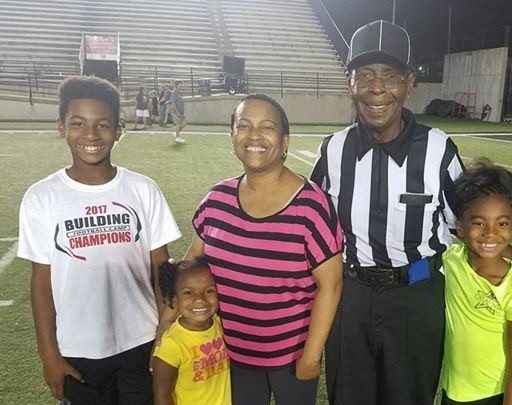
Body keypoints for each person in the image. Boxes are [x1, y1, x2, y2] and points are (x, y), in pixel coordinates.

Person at [310, 20, 512, 405]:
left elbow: (476, 226)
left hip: (416, 295)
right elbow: (308, 226)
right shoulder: (332, 150)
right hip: (349, 297)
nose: (376, 88)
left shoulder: (438, 150)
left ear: (409, 82)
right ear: (350, 81)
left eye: (389, 76)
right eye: (365, 75)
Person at [17, 75, 182, 405]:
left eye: (102, 124)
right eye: (78, 123)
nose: (90, 134)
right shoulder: (41, 197)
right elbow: (41, 283)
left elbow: (161, 266)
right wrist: (49, 354)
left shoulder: (142, 189)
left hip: (142, 341)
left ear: (118, 130)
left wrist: (165, 332)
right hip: (79, 351)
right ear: (61, 127)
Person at [184, 94, 344, 405]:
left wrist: (311, 355)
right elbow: (191, 267)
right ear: (233, 137)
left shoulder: (312, 206)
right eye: (244, 126)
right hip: (228, 354)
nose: (254, 135)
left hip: (291, 356)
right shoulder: (216, 200)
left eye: (266, 127)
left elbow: (332, 285)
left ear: (285, 141)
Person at [441, 158, 512, 405]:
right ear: (460, 227)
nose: (490, 233)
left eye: (501, 224)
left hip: (490, 397)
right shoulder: (450, 261)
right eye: (479, 223)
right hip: (451, 392)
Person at [153, 257, 231, 405]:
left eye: (209, 291)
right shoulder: (171, 345)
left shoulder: (220, 325)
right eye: (188, 293)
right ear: (175, 301)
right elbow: (162, 396)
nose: (200, 299)